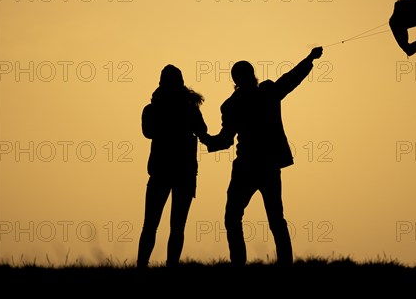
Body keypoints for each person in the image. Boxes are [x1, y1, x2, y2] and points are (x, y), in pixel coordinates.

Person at [200, 47, 323, 266]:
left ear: (235, 80)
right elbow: (290, 80)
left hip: (247, 166)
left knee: (234, 217)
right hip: (266, 165)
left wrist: (208, 140)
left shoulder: (233, 104)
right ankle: (284, 264)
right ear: (252, 75)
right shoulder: (266, 94)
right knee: (275, 218)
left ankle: (239, 264)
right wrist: (309, 59)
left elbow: (226, 139)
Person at [137, 64, 208, 268]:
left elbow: (148, 132)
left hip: (162, 172)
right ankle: (170, 267)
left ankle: (143, 266)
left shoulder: (152, 109)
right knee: (175, 227)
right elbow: (203, 131)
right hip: (181, 172)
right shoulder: (188, 108)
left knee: (151, 225)